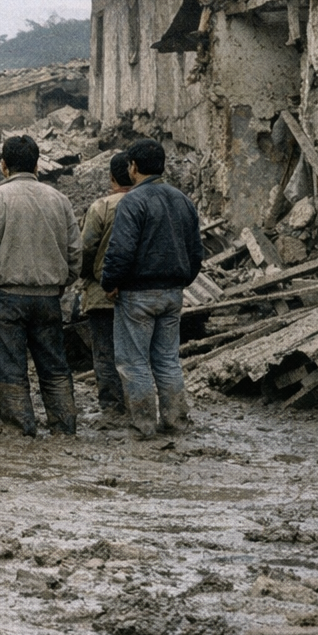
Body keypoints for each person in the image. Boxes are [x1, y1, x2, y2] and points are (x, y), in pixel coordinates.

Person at [0, 135, 82, 437]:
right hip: (47, 298)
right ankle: (65, 429)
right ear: (38, 164)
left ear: (3, 165)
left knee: (10, 369)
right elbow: (74, 254)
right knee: (55, 367)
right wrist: (61, 283)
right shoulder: (60, 200)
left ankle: (20, 432)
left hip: (3, 297)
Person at [100, 137, 204, 437]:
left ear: (133, 167)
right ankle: (176, 422)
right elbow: (197, 252)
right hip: (172, 293)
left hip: (137, 296)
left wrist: (110, 283)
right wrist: (181, 281)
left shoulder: (133, 201)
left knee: (134, 363)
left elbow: (120, 251)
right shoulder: (182, 200)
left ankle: (143, 425)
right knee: (168, 361)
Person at [78, 151, 133, 423]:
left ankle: (112, 409)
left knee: (105, 353)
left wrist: (86, 276)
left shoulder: (101, 207)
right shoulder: (147, 202)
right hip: (140, 295)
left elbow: (85, 250)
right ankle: (139, 404)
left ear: (111, 177)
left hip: (102, 295)